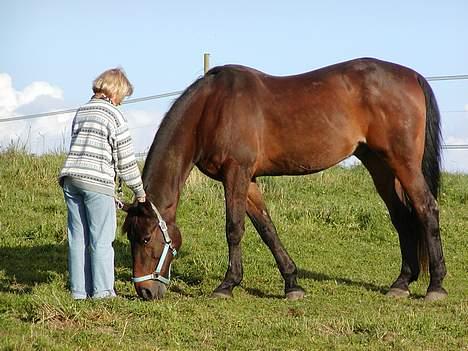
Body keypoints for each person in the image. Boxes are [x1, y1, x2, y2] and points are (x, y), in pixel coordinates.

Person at [59, 68, 146, 299]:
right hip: (97, 182)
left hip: (71, 179)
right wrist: (139, 191)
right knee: (101, 240)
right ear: (115, 91)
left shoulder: (81, 111)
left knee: (78, 239)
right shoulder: (114, 115)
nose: (121, 102)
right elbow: (126, 160)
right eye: (123, 97)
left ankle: (78, 292)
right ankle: (103, 292)